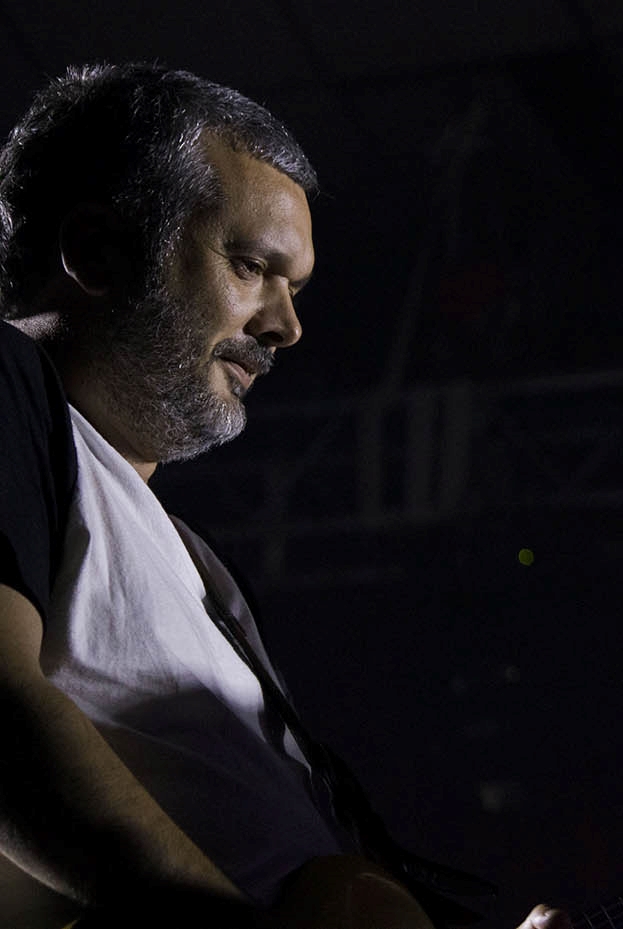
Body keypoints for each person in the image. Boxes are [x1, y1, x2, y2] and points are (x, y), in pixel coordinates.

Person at [0, 63, 566, 929]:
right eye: (251, 265)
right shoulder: (11, 386)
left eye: (293, 288)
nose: (286, 326)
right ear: (96, 252)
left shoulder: (197, 565)